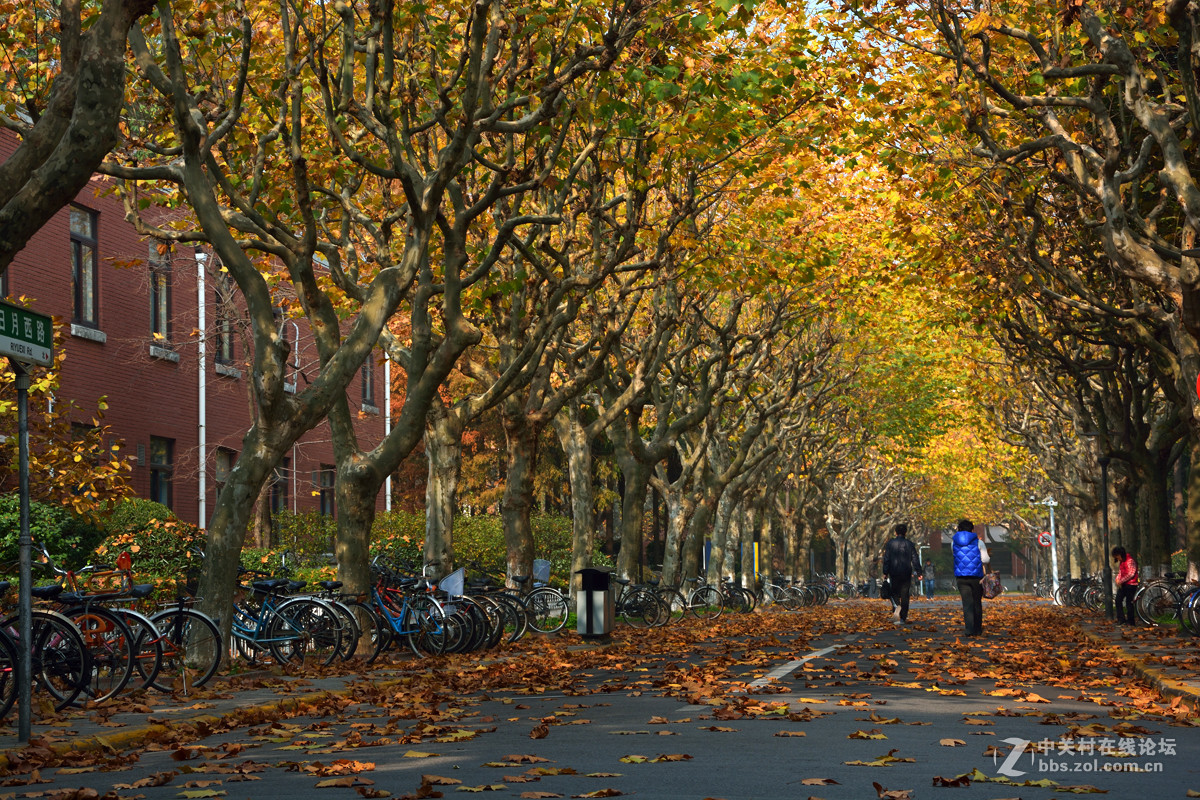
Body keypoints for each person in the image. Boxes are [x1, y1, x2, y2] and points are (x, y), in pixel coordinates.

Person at [952, 519, 990, 636]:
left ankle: (969, 629)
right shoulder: (979, 543)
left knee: (967, 603)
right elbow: (985, 559)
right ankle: (977, 629)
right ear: (972, 530)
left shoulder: (953, 542)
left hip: (961, 577)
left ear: (959, 529)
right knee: (976, 603)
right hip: (976, 577)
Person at [882, 523, 921, 623]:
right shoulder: (909, 544)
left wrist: (885, 572)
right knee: (905, 594)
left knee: (894, 592)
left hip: (893, 572)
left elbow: (886, 559)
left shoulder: (890, 544)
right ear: (905, 533)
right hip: (906, 572)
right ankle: (903, 617)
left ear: (895, 532)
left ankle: (896, 606)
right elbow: (915, 559)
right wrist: (919, 572)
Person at [1112, 546, 1139, 625]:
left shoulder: (1130, 561)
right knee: (1118, 600)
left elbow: (1131, 573)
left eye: (1117, 556)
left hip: (1131, 585)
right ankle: (1121, 619)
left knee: (1129, 603)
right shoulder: (1122, 562)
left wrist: (1121, 580)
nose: (1117, 559)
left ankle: (1131, 621)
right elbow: (1121, 572)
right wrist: (1117, 579)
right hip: (1123, 585)